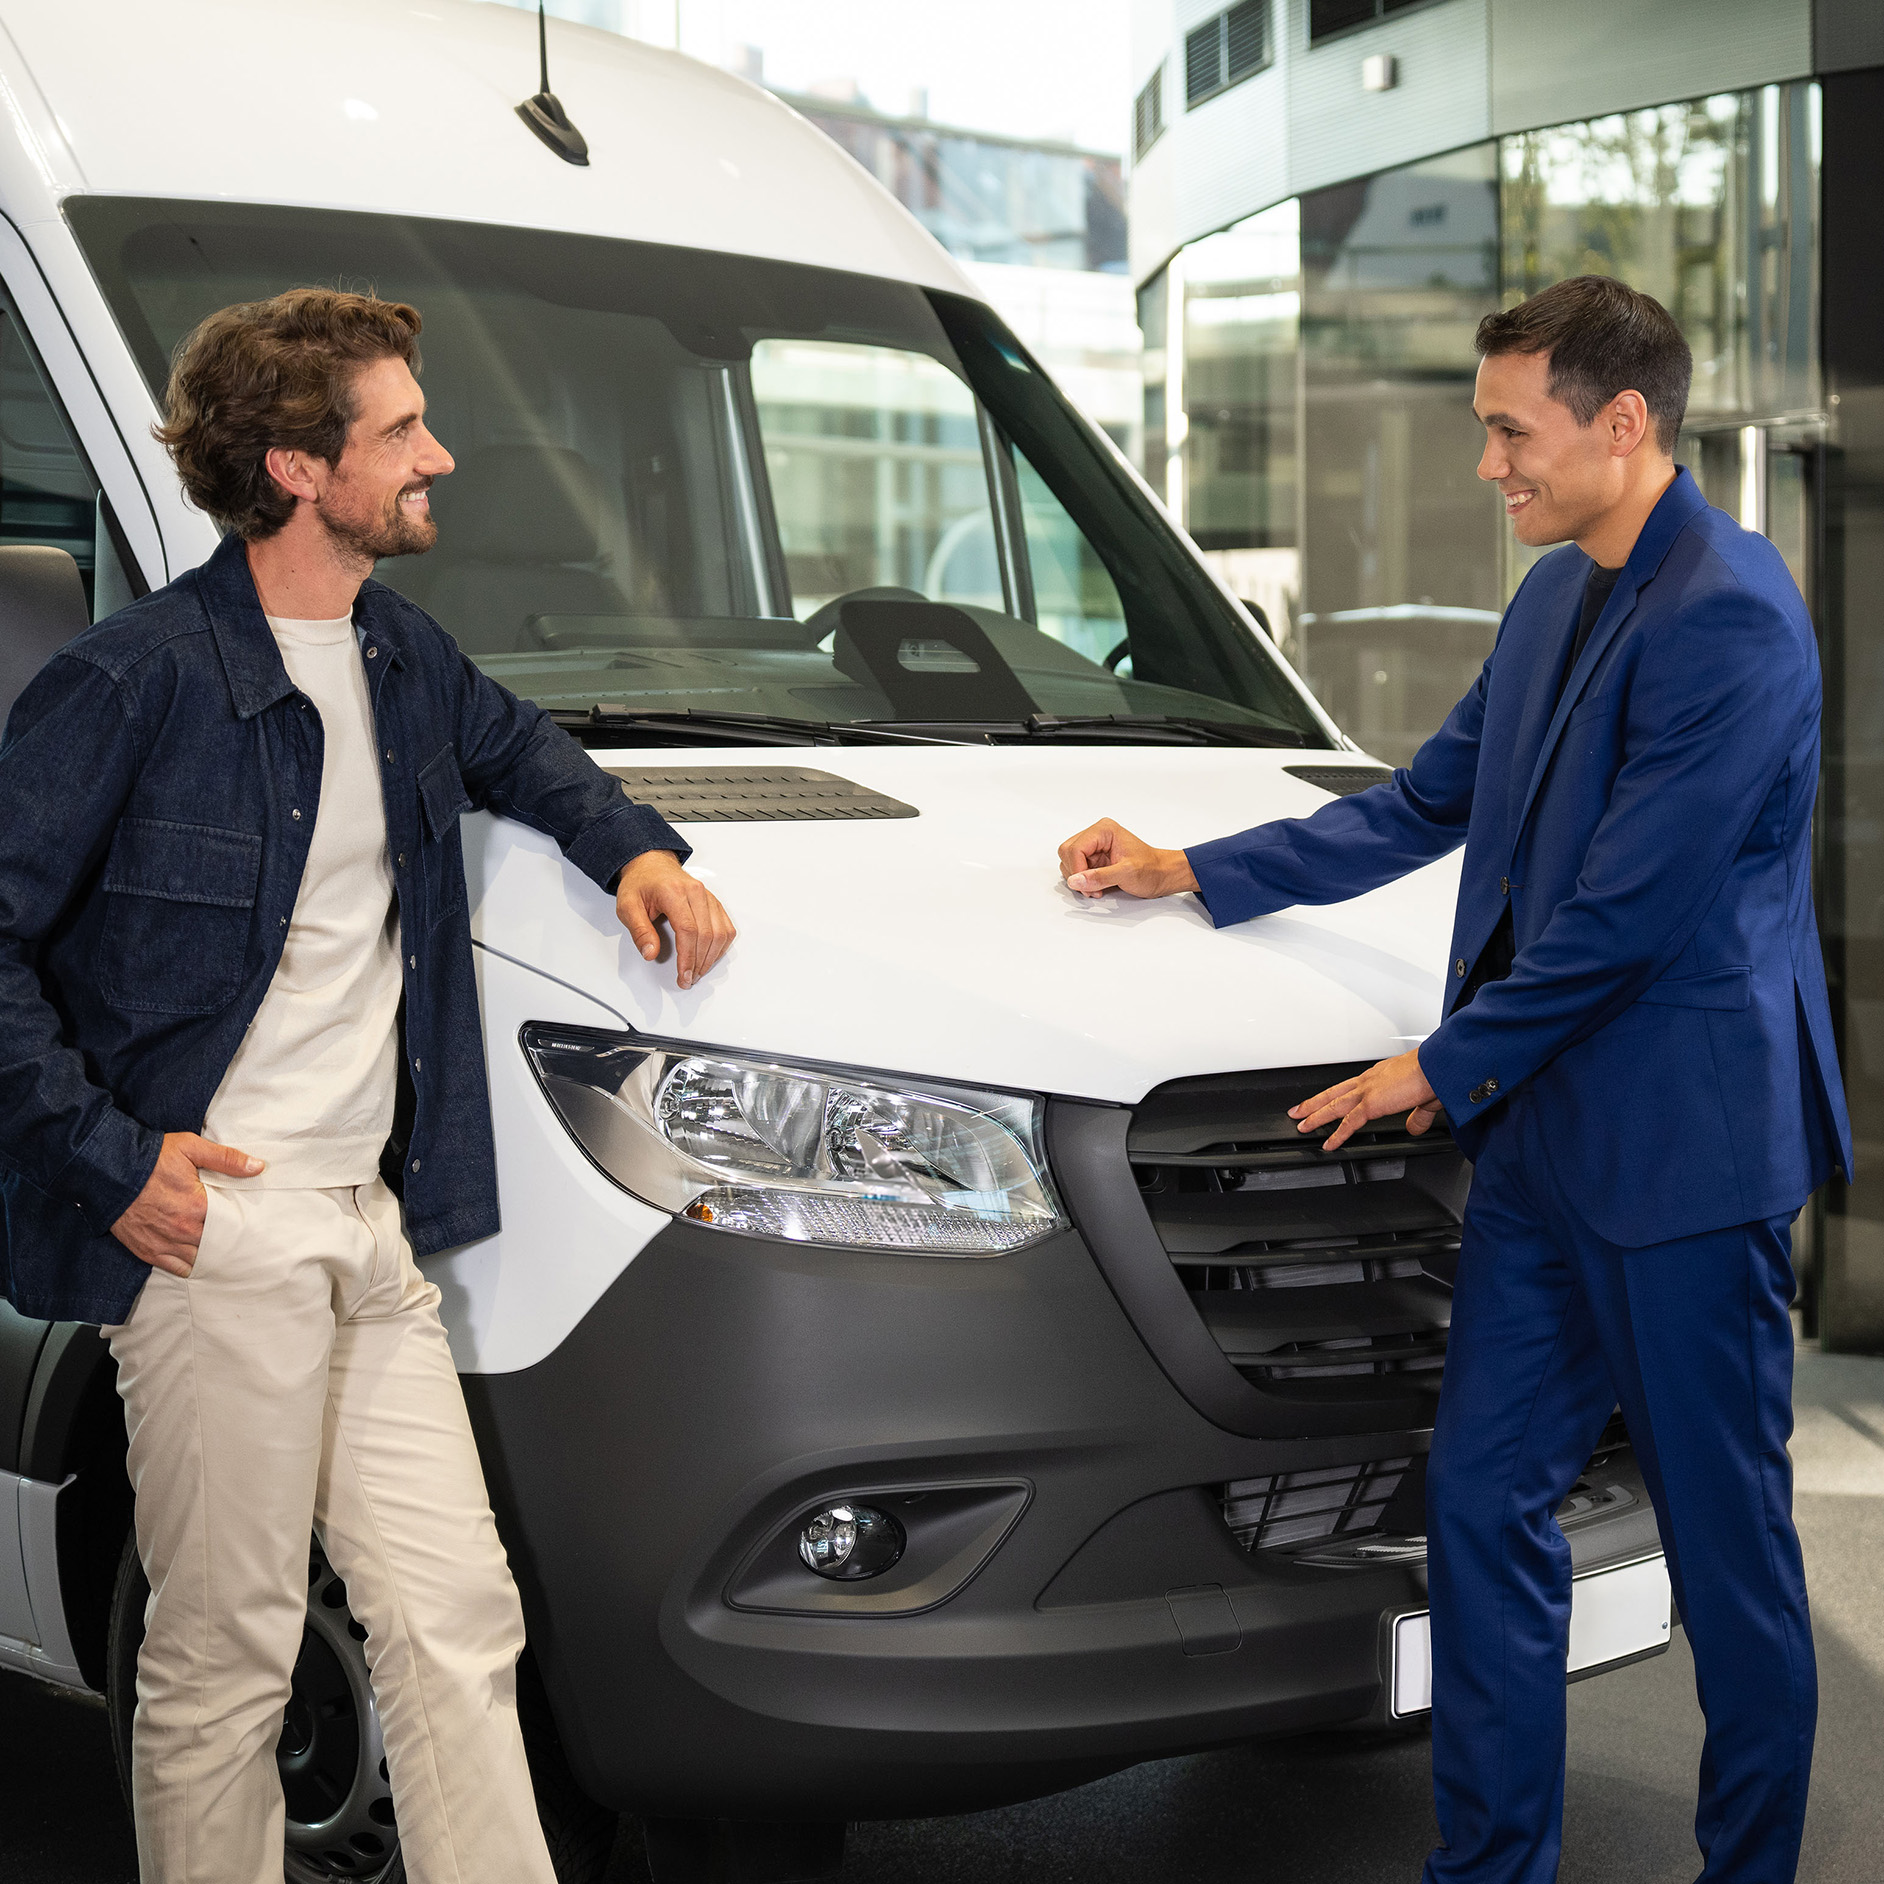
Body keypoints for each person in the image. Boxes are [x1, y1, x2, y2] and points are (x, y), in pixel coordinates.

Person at [1056, 274, 1848, 1884]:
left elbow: (1629, 915)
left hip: (1686, 1164)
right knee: (1482, 1509)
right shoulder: (1555, 596)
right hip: (1545, 1150)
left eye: (1511, 430)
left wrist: (1437, 1062)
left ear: (1621, 426)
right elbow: (1420, 802)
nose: (1490, 463)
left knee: (1731, 1554)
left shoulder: (1739, 619)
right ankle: (1491, 1870)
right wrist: (1187, 868)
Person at [0, 287, 734, 1882]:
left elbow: (525, 753)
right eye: (402, 431)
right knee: (225, 1662)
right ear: (293, 466)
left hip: (373, 1237)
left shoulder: (403, 657)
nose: (439, 458)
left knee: (460, 1623)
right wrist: (111, 1161)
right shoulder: (132, 684)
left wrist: (642, 853)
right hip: (219, 1236)